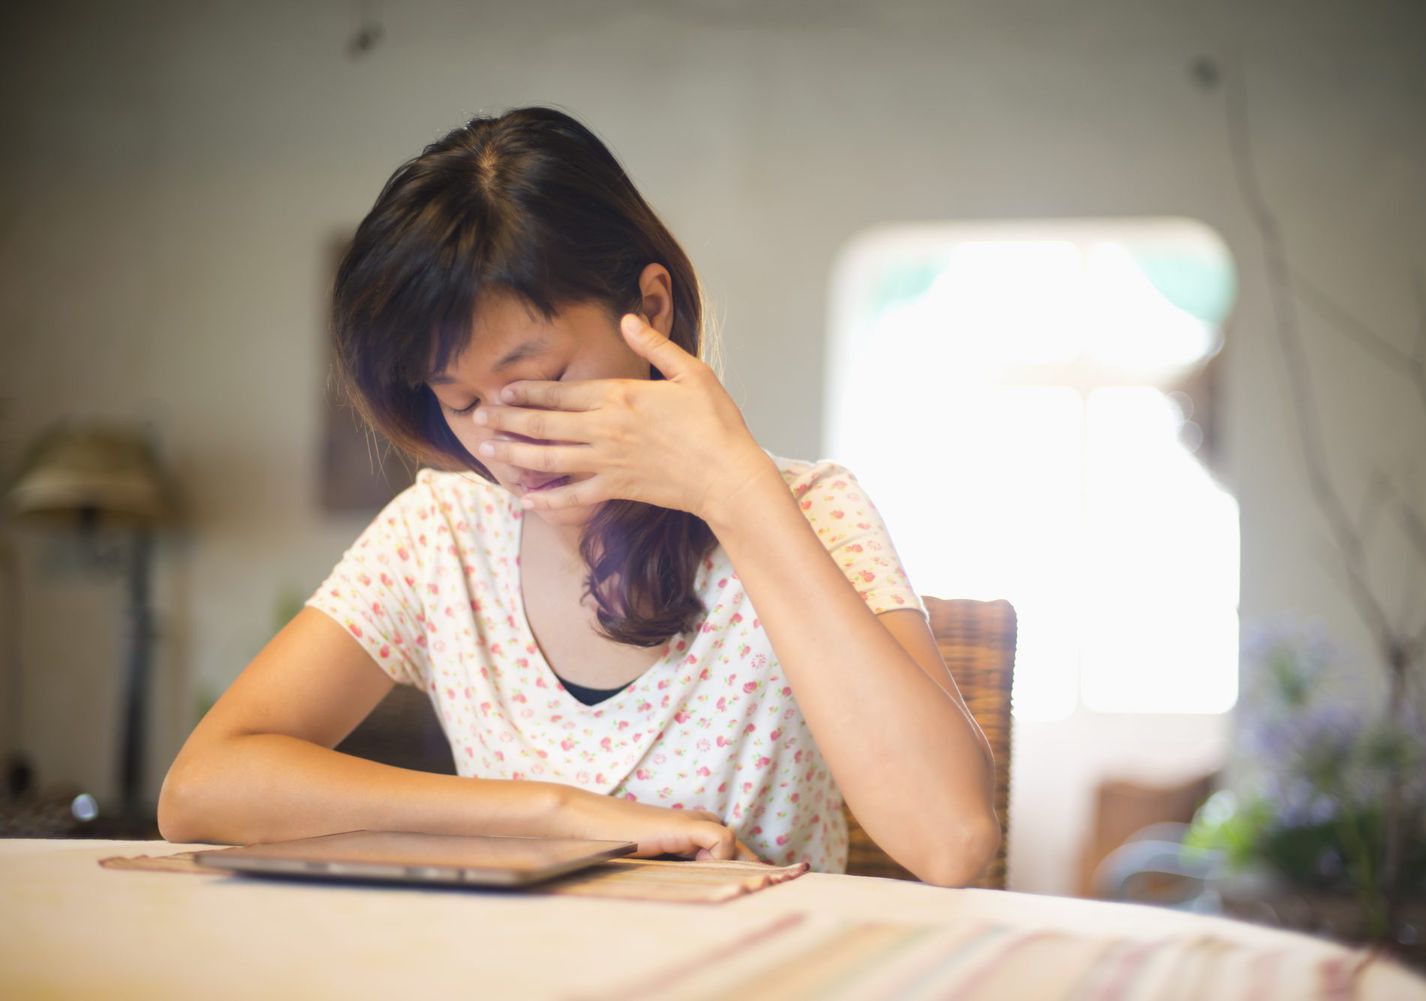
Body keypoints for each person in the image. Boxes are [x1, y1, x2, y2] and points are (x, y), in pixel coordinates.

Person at [157, 106, 999, 885]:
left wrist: (733, 486)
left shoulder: (811, 510)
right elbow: (201, 787)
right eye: (462, 402)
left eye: (540, 380)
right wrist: (552, 814)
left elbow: (950, 839)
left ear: (651, 310)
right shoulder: (441, 535)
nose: (504, 439)